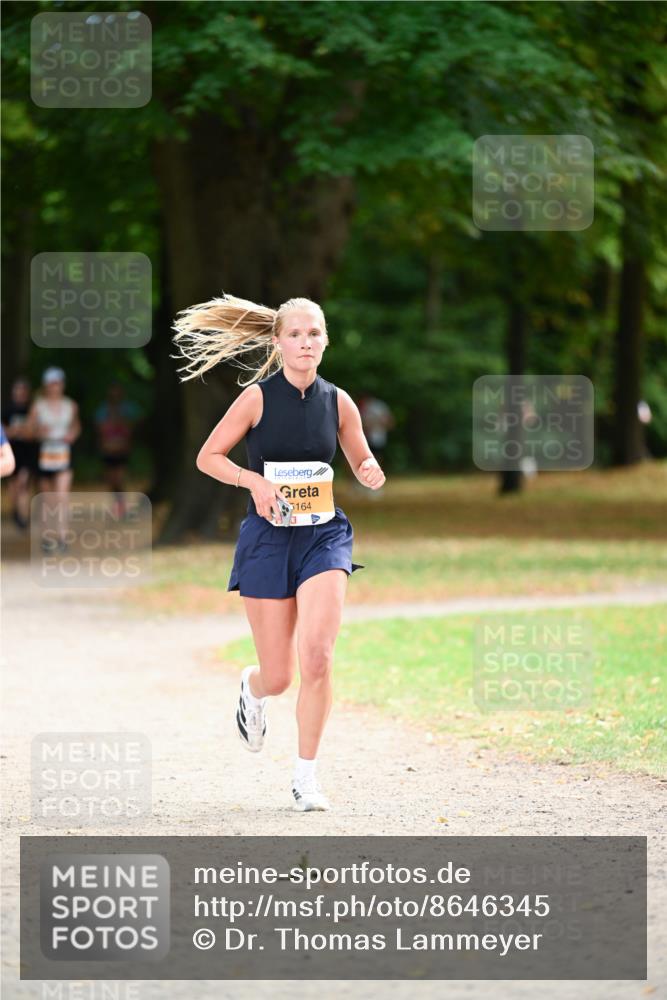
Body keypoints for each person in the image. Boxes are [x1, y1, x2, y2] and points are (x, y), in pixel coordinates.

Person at [172, 293, 385, 812]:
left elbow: (359, 456)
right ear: (278, 342)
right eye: (295, 334)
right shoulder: (256, 398)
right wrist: (254, 484)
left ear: (325, 340)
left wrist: (369, 471)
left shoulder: (340, 402)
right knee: (280, 674)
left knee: (317, 656)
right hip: (268, 539)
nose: (305, 342)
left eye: (314, 333)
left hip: (323, 536)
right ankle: (252, 687)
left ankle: (305, 778)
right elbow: (209, 457)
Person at [23, 367, 81, 552]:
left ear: (62, 384)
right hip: (44, 455)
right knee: (48, 499)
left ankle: (63, 536)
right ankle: (47, 537)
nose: (54, 387)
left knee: (62, 497)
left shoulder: (70, 405)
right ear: (46, 385)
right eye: (51, 383)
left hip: (63, 454)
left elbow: (76, 426)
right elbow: (28, 430)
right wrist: (39, 431)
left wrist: (72, 435)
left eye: (57, 383)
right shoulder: (37, 406)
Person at [94, 382, 141, 519]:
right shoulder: (103, 409)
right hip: (108, 450)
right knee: (111, 480)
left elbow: (135, 424)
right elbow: (99, 429)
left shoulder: (128, 408)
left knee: (119, 478)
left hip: (122, 450)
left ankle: (122, 507)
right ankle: (118, 505)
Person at [1, 377, 39, 527]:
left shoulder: (32, 409)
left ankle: (24, 517)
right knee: (13, 486)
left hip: (27, 453)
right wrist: (16, 431)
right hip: (10, 451)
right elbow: (4, 432)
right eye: (17, 390)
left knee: (24, 484)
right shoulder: (7, 410)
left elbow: (34, 431)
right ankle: (16, 510)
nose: (20, 394)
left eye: (23, 391)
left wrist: (21, 431)